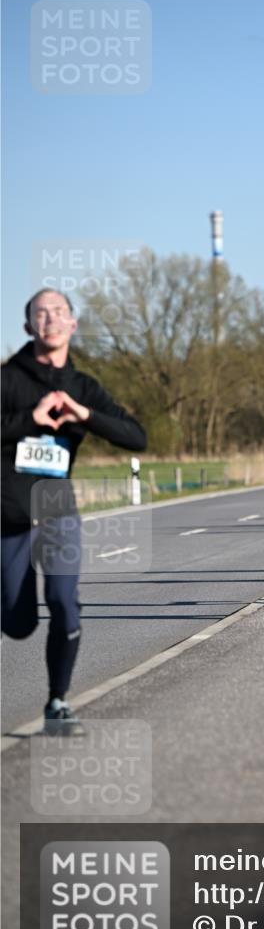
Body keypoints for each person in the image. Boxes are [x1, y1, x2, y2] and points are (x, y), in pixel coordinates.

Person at [1, 289, 147, 735]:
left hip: (58, 508)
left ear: (73, 324)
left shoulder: (84, 386)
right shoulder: (8, 380)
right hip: (9, 511)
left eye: (59, 312)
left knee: (65, 604)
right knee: (20, 622)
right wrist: (33, 419)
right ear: (29, 326)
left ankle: (58, 702)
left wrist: (83, 414)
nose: (50, 319)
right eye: (40, 313)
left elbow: (135, 436)